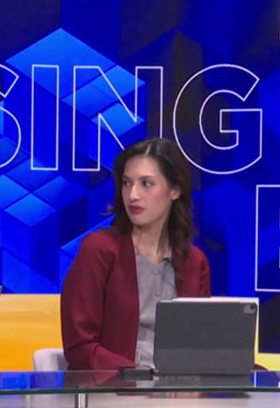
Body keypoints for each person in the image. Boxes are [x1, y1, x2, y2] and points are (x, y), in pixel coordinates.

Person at [61, 138, 211, 370]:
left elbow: (202, 346)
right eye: (126, 183)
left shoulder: (194, 261)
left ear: (175, 190)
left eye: (146, 184)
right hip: (113, 386)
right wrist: (139, 377)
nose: (132, 195)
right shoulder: (99, 249)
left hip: (177, 388)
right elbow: (80, 347)